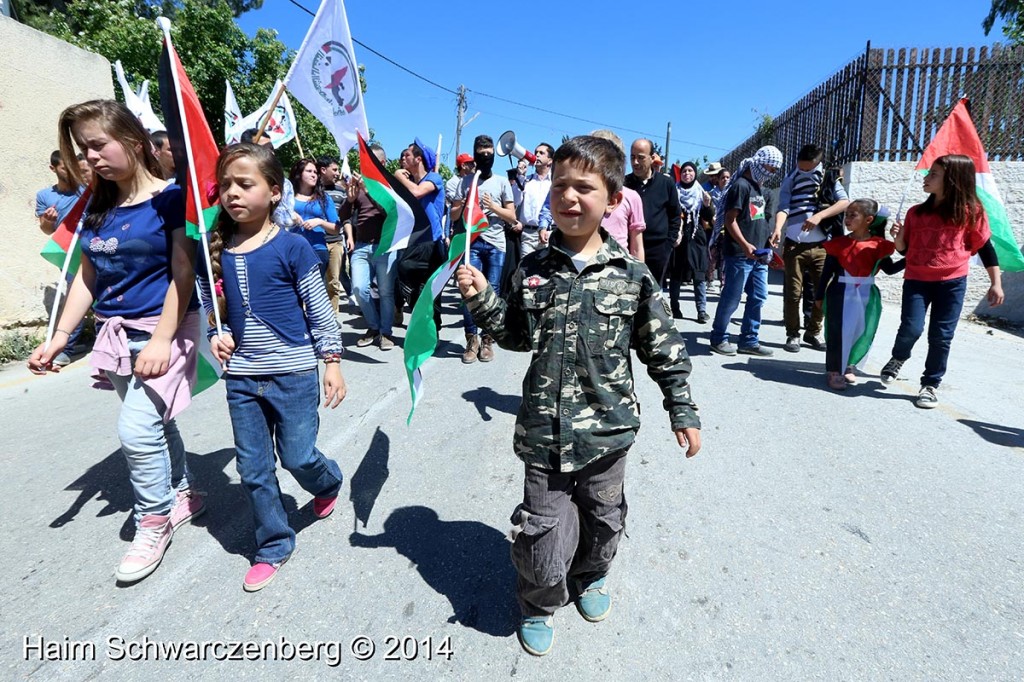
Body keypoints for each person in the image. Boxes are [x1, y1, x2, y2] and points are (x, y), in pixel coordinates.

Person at [456, 135, 701, 657]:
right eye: (560, 186)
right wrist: (481, 299)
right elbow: (516, 335)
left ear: (612, 200)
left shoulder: (633, 278)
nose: (568, 197)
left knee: (604, 519)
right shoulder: (532, 270)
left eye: (583, 188)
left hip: (608, 434)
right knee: (543, 532)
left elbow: (663, 347)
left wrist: (681, 408)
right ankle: (541, 601)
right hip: (543, 435)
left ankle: (590, 576)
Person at [28, 99, 204, 584]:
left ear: (132, 140)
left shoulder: (171, 199)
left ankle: (154, 520)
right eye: (83, 150)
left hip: (164, 330)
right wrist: (59, 339)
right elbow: (87, 277)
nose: (90, 158)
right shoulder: (97, 207)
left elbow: (183, 274)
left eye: (97, 145)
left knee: (134, 431)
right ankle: (184, 491)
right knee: (155, 423)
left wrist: (161, 340)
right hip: (115, 333)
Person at [201, 142, 346, 591]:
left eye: (245, 184)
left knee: (299, 456)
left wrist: (332, 361)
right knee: (254, 468)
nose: (232, 193)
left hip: (294, 371)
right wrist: (214, 332)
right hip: (242, 377)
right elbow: (207, 299)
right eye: (226, 185)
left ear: (275, 192)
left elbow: (318, 306)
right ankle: (274, 543)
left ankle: (328, 481)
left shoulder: (293, 246)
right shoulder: (216, 248)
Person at [880, 154, 1004, 407]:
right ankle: (899, 357)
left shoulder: (971, 212)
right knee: (911, 328)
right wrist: (899, 238)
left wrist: (996, 282)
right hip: (917, 280)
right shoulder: (916, 212)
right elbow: (905, 252)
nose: (927, 178)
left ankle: (930, 384)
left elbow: (985, 248)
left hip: (952, 283)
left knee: (941, 335)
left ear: (953, 180)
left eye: (934, 174)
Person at [815, 200, 904, 390]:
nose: (847, 219)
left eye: (853, 215)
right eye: (846, 214)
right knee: (837, 332)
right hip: (839, 293)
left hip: (865, 295)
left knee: (858, 330)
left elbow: (889, 269)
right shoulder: (839, 244)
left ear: (869, 220)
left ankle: (848, 364)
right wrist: (819, 295)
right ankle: (833, 370)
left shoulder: (879, 245)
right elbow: (827, 272)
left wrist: (912, 256)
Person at [772, 144, 850, 353]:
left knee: (821, 292)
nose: (804, 171)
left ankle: (813, 332)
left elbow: (844, 202)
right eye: (801, 167)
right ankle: (793, 334)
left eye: (808, 168)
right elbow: (784, 207)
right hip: (794, 245)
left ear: (817, 163)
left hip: (821, 246)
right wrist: (778, 228)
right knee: (793, 292)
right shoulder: (791, 178)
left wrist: (819, 216)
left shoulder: (828, 178)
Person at [709, 145, 784, 356]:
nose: (771, 173)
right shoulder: (741, 186)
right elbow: (730, 220)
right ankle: (719, 338)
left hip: (760, 256)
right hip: (740, 255)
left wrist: (769, 238)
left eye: (775, 170)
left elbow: (757, 219)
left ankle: (749, 339)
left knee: (758, 297)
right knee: (732, 297)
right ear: (759, 163)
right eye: (769, 168)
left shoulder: (759, 189)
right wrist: (745, 244)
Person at [452, 134, 515, 364]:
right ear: (475, 155)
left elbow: (512, 216)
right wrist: (463, 202)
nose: (486, 157)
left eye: (489, 154)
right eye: (481, 154)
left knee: (493, 290)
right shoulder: (466, 181)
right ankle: (472, 339)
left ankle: (488, 340)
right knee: (468, 290)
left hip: (496, 244)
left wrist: (493, 207)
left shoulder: (501, 182)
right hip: (472, 244)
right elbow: (454, 214)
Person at [341, 144, 399, 350]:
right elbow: (343, 216)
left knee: (385, 292)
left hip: (385, 247)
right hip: (361, 247)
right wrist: (349, 200)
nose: (366, 166)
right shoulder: (358, 185)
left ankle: (385, 332)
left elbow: (391, 214)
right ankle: (373, 326)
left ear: (382, 163)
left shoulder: (390, 186)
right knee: (358, 288)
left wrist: (370, 191)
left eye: (371, 161)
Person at [36, 150, 88, 365]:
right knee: (76, 295)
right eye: (64, 167)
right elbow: (46, 230)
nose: (70, 171)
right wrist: (49, 220)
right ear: (53, 169)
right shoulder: (45, 196)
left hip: (93, 247)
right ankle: (67, 348)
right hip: (70, 254)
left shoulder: (86, 190)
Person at [394, 138, 447, 335]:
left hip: (432, 244)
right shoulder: (410, 183)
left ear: (418, 159)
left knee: (433, 291)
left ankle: (433, 328)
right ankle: (423, 319)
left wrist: (400, 176)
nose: (403, 159)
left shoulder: (434, 178)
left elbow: (417, 193)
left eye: (407, 155)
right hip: (414, 242)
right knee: (404, 272)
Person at [624, 139, 681, 286]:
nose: (635, 162)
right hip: (630, 247)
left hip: (658, 249)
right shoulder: (624, 184)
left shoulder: (666, 183)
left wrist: (668, 244)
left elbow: (675, 215)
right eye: (632, 157)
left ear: (652, 157)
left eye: (641, 157)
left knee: (653, 293)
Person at [669, 162, 714, 323]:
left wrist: (707, 205)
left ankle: (701, 311)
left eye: (690, 171)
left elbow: (708, 217)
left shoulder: (701, 192)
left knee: (699, 275)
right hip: (679, 238)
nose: (687, 173)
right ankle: (674, 308)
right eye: (684, 171)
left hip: (696, 237)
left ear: (695, 173)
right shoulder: (674, 191)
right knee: (676, 275)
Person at [590, 130, 645, 259]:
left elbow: (637, 247)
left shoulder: (631, 197)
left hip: (617, 268)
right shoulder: (581, 195)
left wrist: (639, 275)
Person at [289, 158, 337, 278]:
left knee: (314, 293)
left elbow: (336, 228)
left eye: (315, 172)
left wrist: (320, 222)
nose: (313, 175)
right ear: (299, 174)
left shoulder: (324, 198)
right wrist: (290, 215)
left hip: (317, 250)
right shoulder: (287, 197)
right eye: (309, 171)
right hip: (292, 250)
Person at [318, 155, 351, 312]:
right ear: (323, 170)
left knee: (333, 282)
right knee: (313, 283)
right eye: (335, 169)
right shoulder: (311, 190)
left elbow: (345, 218)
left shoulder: (341, 191)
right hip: (315, 242)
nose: (338, 173)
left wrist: (349, 237)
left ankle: (332, 316)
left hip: (336, 241)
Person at [517, 143, 555, 256]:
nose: (537, 155)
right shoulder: (526, 181)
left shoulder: (555, 182)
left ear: (550, 161)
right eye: (535, 153)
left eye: (541, 153)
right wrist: (520, 176)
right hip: (528, 234)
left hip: (549, 233)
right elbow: (515, 201)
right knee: (526, 271)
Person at [705, 163, 730, 289]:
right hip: (714, 230)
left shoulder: (732, 193)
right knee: (712, 257)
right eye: (722, 178)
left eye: (727, 177)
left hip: (728, 230)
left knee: (725, 258)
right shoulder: (710, 194)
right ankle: (709, 279)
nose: (725, 180)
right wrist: (712, 218)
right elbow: (707, 210)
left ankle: (723, 283)